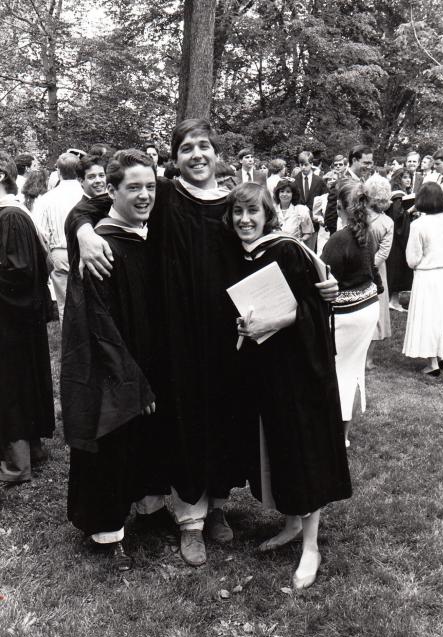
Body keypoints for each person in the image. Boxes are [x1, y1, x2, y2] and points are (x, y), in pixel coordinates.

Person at [67, 119, 339, 569]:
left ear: (217, 154)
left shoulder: (234, 202)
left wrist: (319, 289)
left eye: (204, 146)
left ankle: (216, 506)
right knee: (186, 421)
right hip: (177, 334)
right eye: (187, 147)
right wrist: (82, 231)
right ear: (174, 158)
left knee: (225, 419)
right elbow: (97, 203)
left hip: (231, 334)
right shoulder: (167, 196)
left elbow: (274, 250)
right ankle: (189, 519)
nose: (197, 154)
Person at [226, 182, 351, 590]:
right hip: (266, 369)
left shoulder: (287, 249)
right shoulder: (241, 254)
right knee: (280, 446)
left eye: (252, 212)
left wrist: (270, 323)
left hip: (299, 371)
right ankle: (292, 524)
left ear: (267, 215)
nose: (245, 220)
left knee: (303, 449)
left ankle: (311, 546)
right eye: (238, 213)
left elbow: (314, 306)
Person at [62, 149, 168, 571]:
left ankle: (145, 508)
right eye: (133, 187)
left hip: (147, 357)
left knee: (144, 438)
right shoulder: (102, 246)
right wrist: (131, 380)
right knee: (112, 441)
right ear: (112, 191)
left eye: (149, 187)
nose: (144, 195)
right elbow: (99, 325)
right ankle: (105, 531)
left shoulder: (144, 233)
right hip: (113, 366)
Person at [0, 151, 54, 483]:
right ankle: (32, 450)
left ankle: (16, 466)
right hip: (17, 319)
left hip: (11, 320)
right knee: (21, 383)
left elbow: (18, 271)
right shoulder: (14, 215)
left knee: (11, 386)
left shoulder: (10, 218)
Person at [322, 180, 382, 447]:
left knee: (336, 371)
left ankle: (334, 434)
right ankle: (342, 435)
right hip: (368, 307)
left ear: (337, 206)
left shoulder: (338, 240)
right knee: (352, 371)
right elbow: (372, 271)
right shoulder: (366, 232)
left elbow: (324, 281)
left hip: (347, 315)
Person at [402, 182, 443, 376]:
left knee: (428, 317)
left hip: (428, 275)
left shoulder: (418, 225)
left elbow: (412, 259)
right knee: (442, 316)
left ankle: (433, 363)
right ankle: (441, 356)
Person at [33, 152, 83, 323]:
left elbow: (40, 231)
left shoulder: (47, 199)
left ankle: (70, 345)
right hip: (83, 249)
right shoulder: (85, 194)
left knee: (64, 304)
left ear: (59, 172)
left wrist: (47, 256)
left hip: (59, 252)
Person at [364, 175, 394, 369]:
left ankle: (363, 357)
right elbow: (384, 252)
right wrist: (371, 265)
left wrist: (362, 265)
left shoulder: (359, 215)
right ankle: (368, 359)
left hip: (359, 267)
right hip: (376, 271)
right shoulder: (387, 222)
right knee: (376, 311)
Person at [325, 145, 374, 235]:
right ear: (354, 160)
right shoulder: (340, 184)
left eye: (371, 163)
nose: (369, 166)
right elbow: (330, 218)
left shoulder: (364, 181)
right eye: (366, 163)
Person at [385, 167, 414, 311]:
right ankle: (393, 301)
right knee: (397, 268)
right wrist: (412, 211)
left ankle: (394, 300)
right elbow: (398, 217)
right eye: (404, 177)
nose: (408, 180)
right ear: (398, 179)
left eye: (409, 177)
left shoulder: (401, 194)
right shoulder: (398, 196)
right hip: (397, 240)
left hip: (397, 237)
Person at [294, 151, 327, 251]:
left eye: (306, 164)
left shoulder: (319, 181)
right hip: (299, 223)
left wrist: (320, 216)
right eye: (301, 164)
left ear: (312, 164)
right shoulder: (295, 180)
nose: (303, 167)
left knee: (312, 252)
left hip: (314, 223)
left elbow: (325, 199)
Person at [273, 178, 313, 243]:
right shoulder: (272, 210)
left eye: (288, 192)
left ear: (293, 194)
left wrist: (300, 240)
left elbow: (308, 233)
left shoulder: (301, 210)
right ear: (278, 193)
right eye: (282, 191)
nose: (284, 194)